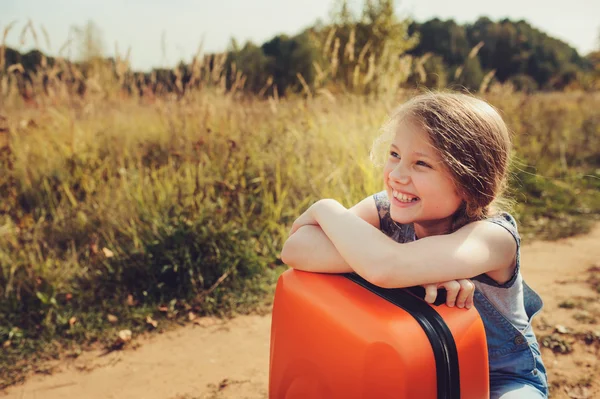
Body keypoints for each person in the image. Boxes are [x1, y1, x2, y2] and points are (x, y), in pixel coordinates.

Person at [280, 91, 548, 398]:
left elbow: (386, 267)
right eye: (395, 155)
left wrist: (326, 210)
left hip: (500, 378)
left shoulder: (493, 238)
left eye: (421, 164)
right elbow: (296, 247)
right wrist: (416, 269)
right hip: (419, 363)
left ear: (470, 182)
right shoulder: (386, 210)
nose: (396, 175)